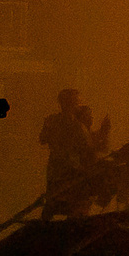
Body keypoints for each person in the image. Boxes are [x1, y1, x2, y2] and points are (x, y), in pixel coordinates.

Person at [39, 89, 97, 218]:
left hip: (60, 169)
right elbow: (89, 149)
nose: (79, 106)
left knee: (55, 203)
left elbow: (43, 139)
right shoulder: (76, 126)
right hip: (69, 170)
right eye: (77, 103)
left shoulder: (54, 121)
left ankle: (46, 228)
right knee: (72, 205)